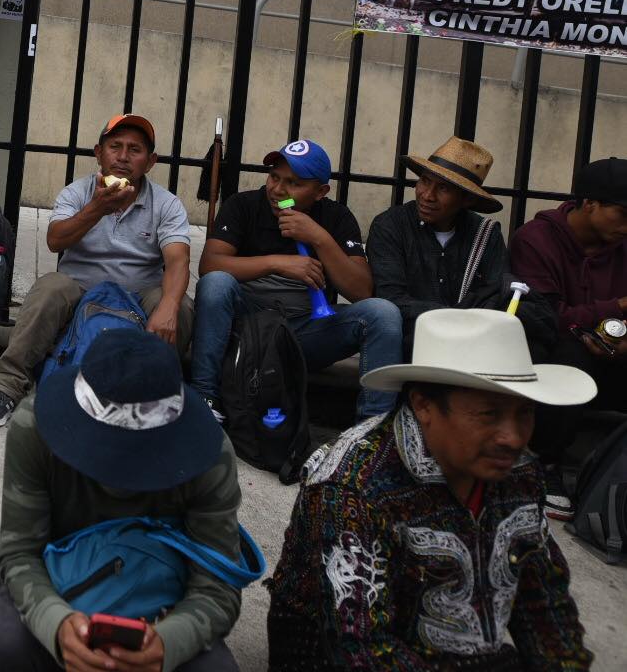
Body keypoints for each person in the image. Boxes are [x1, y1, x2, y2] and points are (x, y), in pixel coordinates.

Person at [266, 307, 595, 669]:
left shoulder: (520, 474)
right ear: (423, 404)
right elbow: (360, 648)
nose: (513, 437)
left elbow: (545, 603)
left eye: (525, 413)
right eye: (488, 415)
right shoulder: (353, 486)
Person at [0, 330, 246, 671]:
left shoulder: (210, 456)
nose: (121, 473)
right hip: (53, 583)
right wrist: (58, 626)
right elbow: (20, 554)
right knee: (3, 644)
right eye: (107, 451)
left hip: (164, 602)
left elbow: (217, 588)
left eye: (139, 458)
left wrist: (165, 644)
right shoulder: (34, 427)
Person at [0, 114, 193, 428]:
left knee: (178, 303)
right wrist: (97, 208)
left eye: (135, 149)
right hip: (81, 290)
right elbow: (54, 240)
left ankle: (154, 395)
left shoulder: (166, 204)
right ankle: (6, 387)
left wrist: (169, 304)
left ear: (151, 160)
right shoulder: (77, 193)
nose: (123, 156)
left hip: (138, 297)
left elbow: (178, 260)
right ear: (98, 153)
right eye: (114, 146)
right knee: (51, 286)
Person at [188, 139, 403, 420]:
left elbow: (363, 291)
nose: (277, 190)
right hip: (248, 327)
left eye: (293, 183)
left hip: (306, 332)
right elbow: (210, 265)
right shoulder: (244, 205)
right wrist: (277, 263)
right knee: (216, 283)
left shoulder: (336, 217)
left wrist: (318, 237)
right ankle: (204, 399)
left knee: (383, 313)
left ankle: (373, 426)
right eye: (274, 177)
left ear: (320, 191)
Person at [509, 156, 627, 500]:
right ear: (589, 204)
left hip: (614, 358)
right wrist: (616, 306)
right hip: (559, 356)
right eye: (622, 213)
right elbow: (548, 318)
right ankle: (544, 464)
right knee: (567, 354)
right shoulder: (536, 239)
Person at [366, 136, 554, 348]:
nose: (427, 195)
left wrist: (465, 316)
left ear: (467, 199)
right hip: (413, 341)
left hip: (475, 345)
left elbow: (499, 296)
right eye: (425, 181)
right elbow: (392, 300)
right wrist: (462, 314)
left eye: (443, 188)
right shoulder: (391, 226)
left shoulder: (486, 234)